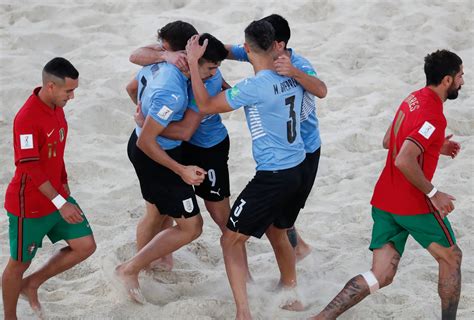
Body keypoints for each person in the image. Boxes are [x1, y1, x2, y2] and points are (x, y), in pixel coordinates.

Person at [310, 49, 464, 320]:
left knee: (380, 275)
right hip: (412, 203)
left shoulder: (413, 99)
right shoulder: (434, 116)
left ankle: (322, 317)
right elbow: (404, 159)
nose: (463, 81)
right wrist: (434, 193)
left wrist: (435, 145)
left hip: (384, 201)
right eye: (461, 75)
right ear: (448, 80)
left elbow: (388, 141)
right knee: (451, 258)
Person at [186, 20, 306, 319]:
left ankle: (243, 313)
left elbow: (204, 104)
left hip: (273, 176)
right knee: (278, 229)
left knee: (230, 239)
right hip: (298, 168)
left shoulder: (254, 87)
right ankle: (292, 296)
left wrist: (191, 61)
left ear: (248, 49)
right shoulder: (291, 73)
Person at [115, 26, 230, 304]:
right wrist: (181, 170)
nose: (214, 75)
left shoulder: (157, 62)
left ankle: (143, 268)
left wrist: (145, 116)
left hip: (150, 146)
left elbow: (132, 87)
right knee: (192, 227)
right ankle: (130, 269)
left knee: (155, 214)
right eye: (210, 69)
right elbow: (148, 142)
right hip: (153, 156)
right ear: (191, 62)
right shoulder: (173, 92)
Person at [227, 14, 327, 261]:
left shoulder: (299, 64)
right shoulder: (264, 51)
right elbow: (229, 50)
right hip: (283, 148)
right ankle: (298, 248)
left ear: (279, 45)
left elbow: (321, 90)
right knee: (280, 215)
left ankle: (297, 252)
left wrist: (294, 73)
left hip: (305, 150)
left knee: (281, 220)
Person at [2, 57, 96, 320]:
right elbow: (31, 167)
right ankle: (10, 316)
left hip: (57, 196)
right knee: (19, 263)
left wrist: (64, 185)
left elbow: (57, 152)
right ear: (51, 87)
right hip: (29, 205)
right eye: (69, 91)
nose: (73, 97)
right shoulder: (27, 118)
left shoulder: (56, 106)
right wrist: (60, 203)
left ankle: (31, 284)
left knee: (85, 245)